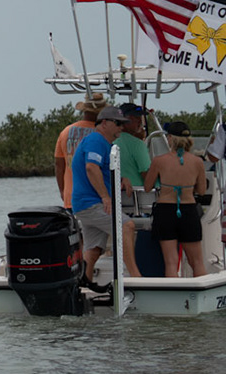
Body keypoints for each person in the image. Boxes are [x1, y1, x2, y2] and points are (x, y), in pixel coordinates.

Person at [143, 121, 210, 278]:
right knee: (197, 262)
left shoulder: (159, 161)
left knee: (171, 262)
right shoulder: (197, 162)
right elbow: (201, 190)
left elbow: (147, 187)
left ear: (170, 138)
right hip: (188, 210)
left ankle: (173, 300)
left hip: (165, 210)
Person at [69, 106, 124, 288]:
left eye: (123, 124)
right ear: (104, 123)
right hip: (91, 203)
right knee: (128, 227)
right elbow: (91, 168)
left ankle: (84, 284)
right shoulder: (96, 140)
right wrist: (105, 197)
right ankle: (134, 276)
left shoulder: (104, 144)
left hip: (85, 204)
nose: (121, 128)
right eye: (118, 124)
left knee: (94, 248)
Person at [115, 104, 154, 278]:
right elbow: (148, 176)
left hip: (117, 205)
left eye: (140, 118)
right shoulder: (138, 145)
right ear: (125, 120)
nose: (140, 122)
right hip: (140, 206)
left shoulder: (108, 142)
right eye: (135, 118)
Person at [54, 93, 105, 208]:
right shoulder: (104, 134)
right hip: (96, 198)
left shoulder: (66, 131)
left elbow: (59, 164)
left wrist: (63, 191)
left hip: (71, 197)